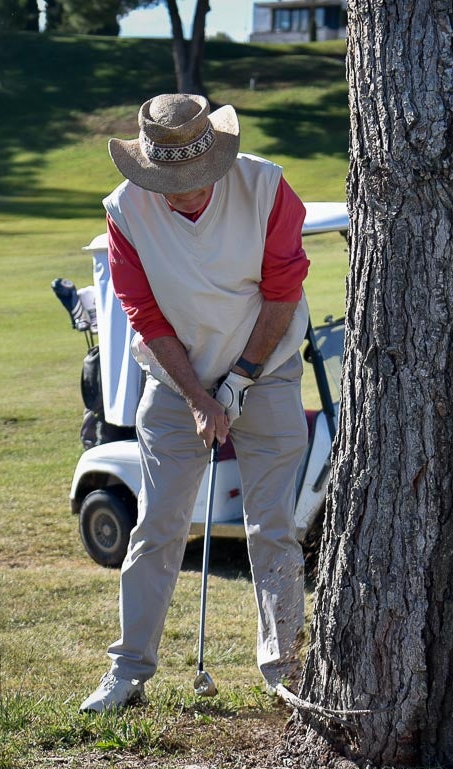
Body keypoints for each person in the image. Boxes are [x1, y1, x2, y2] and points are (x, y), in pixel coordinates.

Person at [80, 94, 312, 712]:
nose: (182, 193)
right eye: (168, 183)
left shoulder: (266, 187)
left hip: (268, 368)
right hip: (174, 376)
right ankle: (128, 672)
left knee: (272, 523)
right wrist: (198, 396)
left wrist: (237, 382)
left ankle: (284, 666)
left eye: (194, 180)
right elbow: (144, 314)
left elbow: (283, 291)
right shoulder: (126, 210)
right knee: (157, 526)